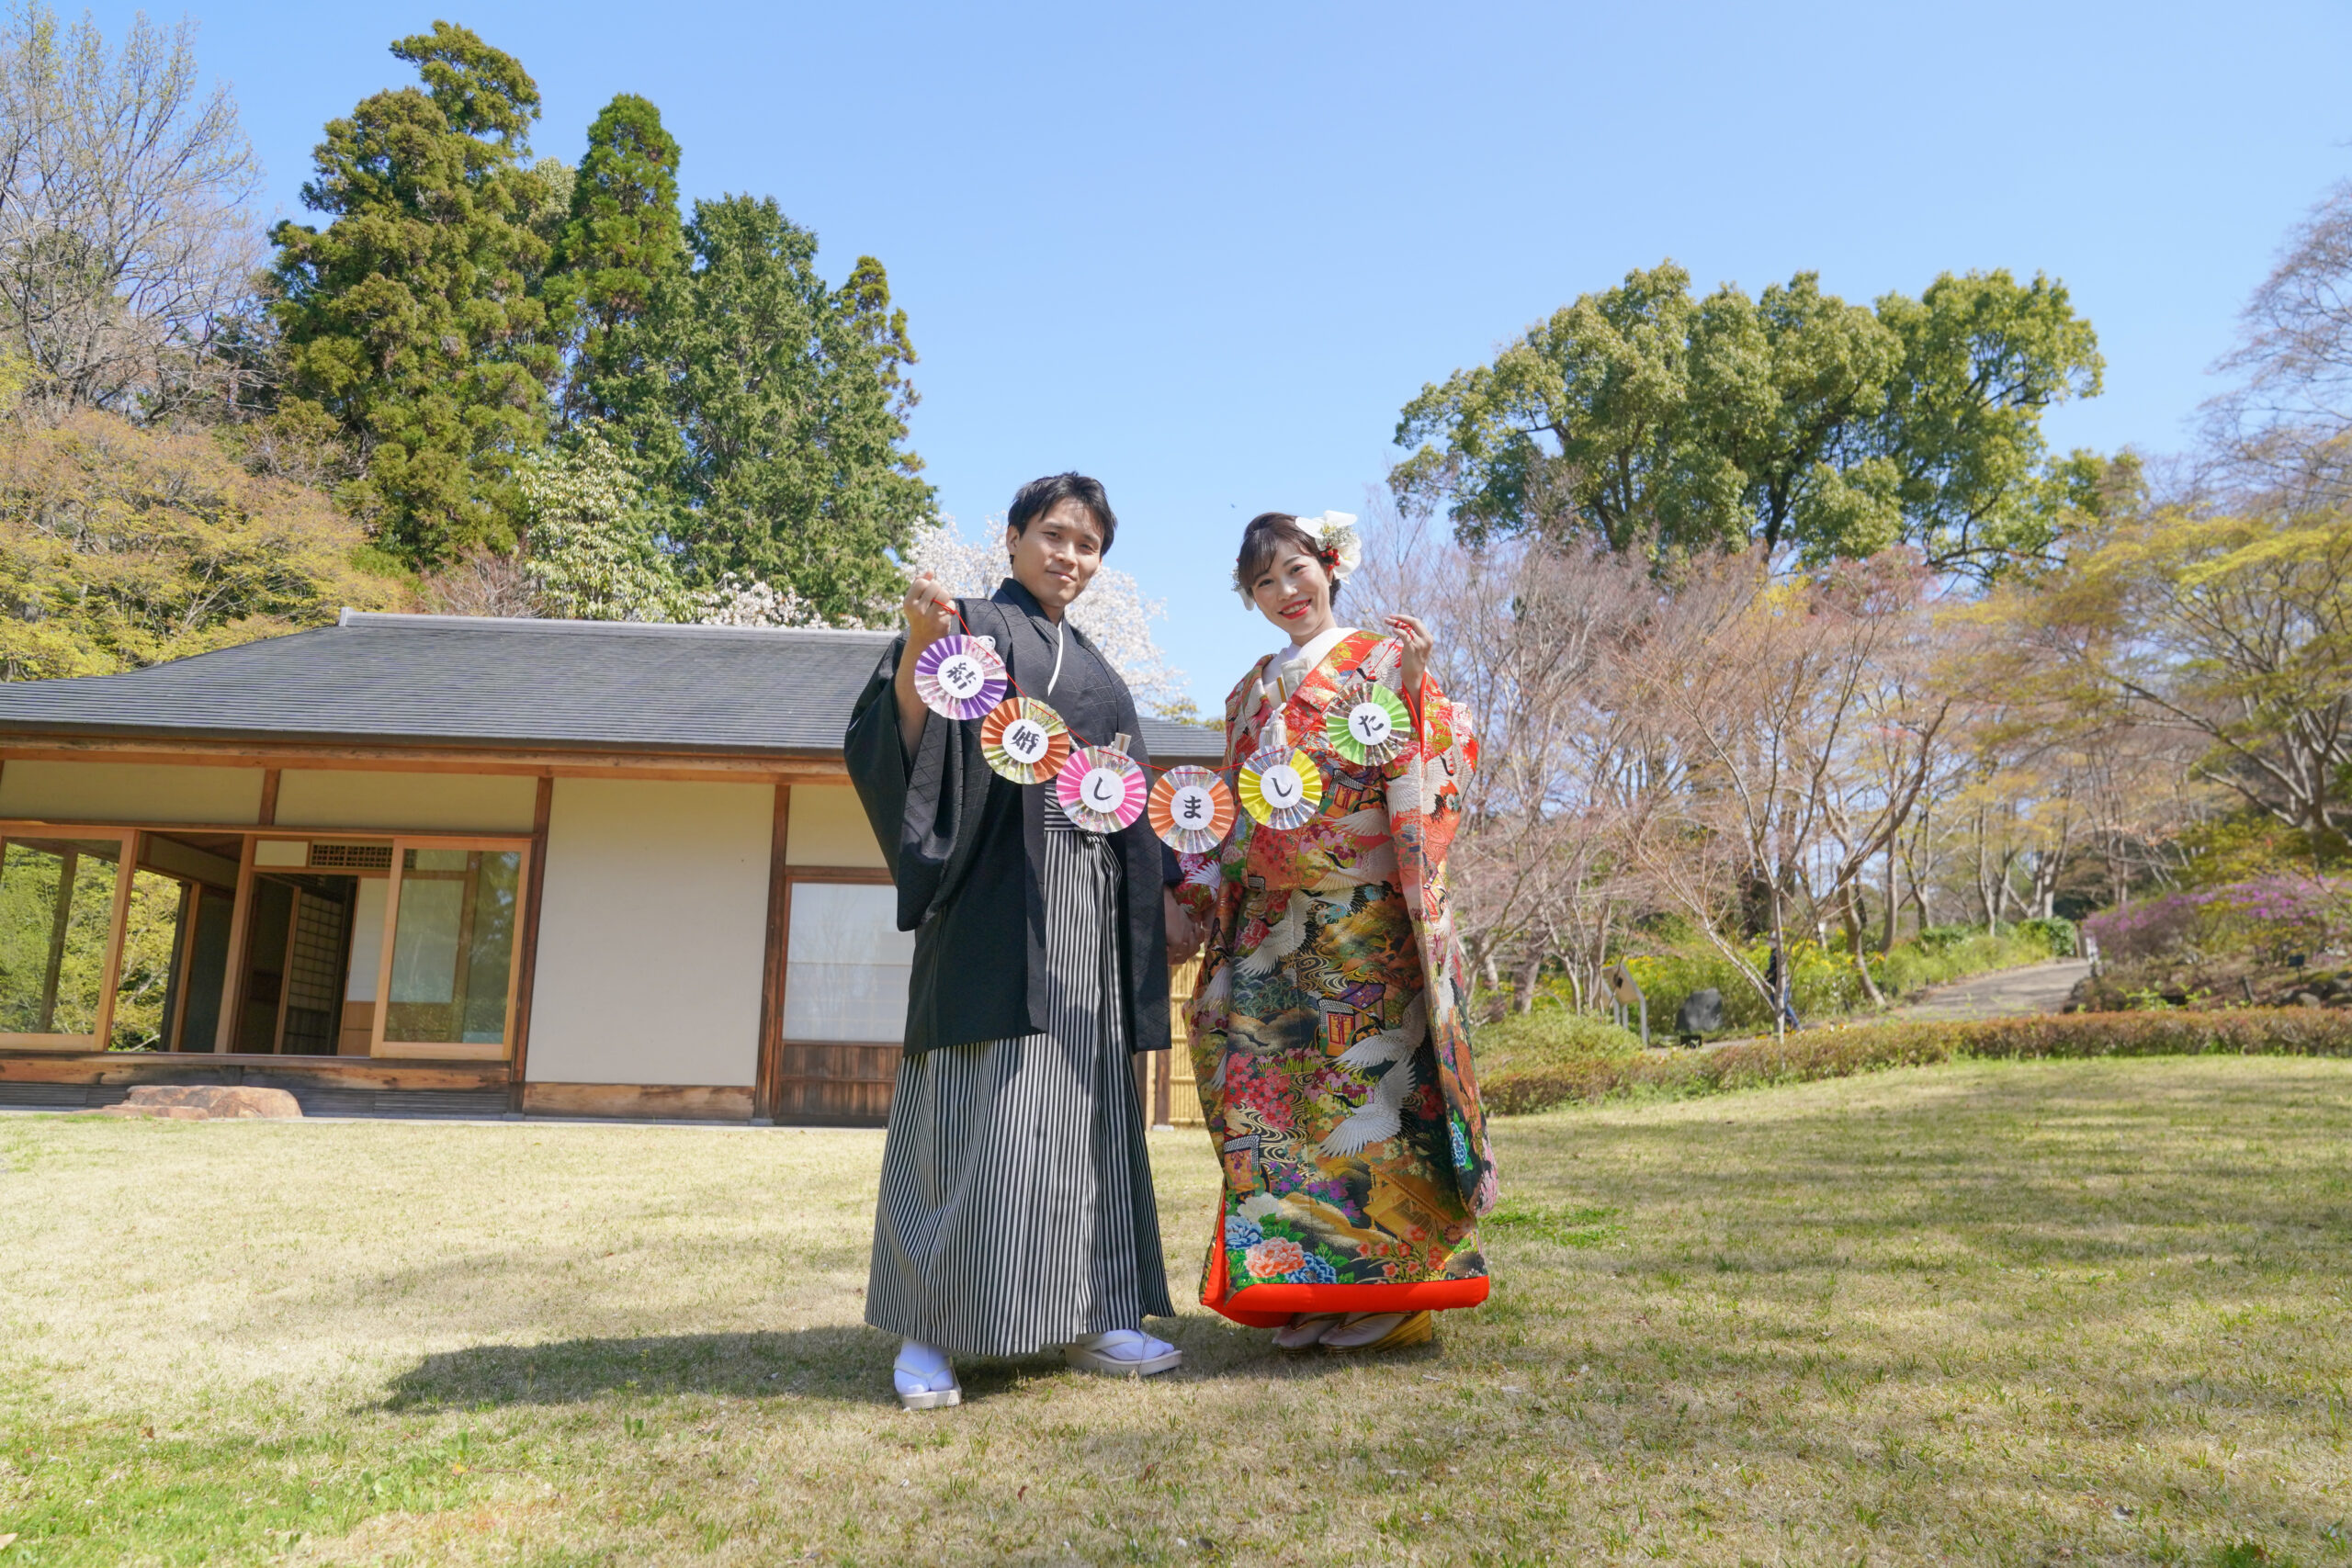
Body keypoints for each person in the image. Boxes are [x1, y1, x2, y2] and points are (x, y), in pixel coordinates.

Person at [845, 472, 1195, 1410]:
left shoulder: (1098, 667)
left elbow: (1126, 788)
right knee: (981, 1109)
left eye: (1088, 545)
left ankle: (1093, 1310)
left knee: (1087, 1112)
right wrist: (921, 642)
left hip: (1089, 914)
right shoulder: (969, 627)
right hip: (996, 906)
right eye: (1053, 535)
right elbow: (896, 738)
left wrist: (1165, 890)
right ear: (1011, 537)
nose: (1069, 557)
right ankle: (930, 1329)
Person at [1175, 510, 1497, 1354]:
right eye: (1264, 582)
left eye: (1296, 570)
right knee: (1278, 1106)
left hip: (1365, 927)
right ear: (1250, 598)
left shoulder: (1383, 659)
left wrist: (1417, 689)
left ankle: (1399, 1290)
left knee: (1376, 1102)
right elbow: (1232, 811)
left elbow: (1439, 766)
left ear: (1329, 567)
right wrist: (1199, 891)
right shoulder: (1247, 694)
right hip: (1272, 930)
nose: (1286, 591)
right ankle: (1304, 1286)